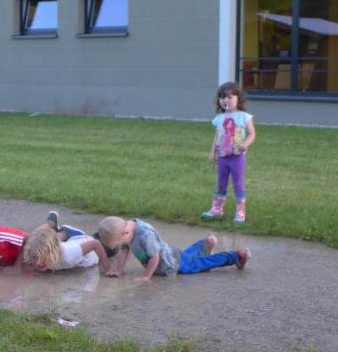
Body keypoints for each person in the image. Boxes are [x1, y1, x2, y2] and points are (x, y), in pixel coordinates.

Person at [96, 216, 250, 282]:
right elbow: (124, 249)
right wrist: (120, 270)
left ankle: (236, 256)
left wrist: (146, 276)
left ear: (125, 233)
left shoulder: (145, 235)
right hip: (172, 254)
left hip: (171, 263)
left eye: (118, 243)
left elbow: (155, 257)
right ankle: (205, 244)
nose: (120, 247)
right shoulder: (126, 228)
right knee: (186, 257)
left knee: (199, 264)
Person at [201, 81, 256, 223]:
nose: (226, 100)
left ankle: (240, 212)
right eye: (222, 97)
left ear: (239, 99)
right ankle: (217, 209)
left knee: (238, 183)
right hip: (223, 157)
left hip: (237, 157)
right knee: (221, 182)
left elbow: (252, 134)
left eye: (230, 97)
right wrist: (213, 152)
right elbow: (217, 136)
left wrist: (245, 144)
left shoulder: (244, 116)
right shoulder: (219, 118)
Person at [23, 211, 111, 273]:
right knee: (35, 238)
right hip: (69, 243)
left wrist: (108, 269)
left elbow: (95, 244)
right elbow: (30, 241)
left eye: (39, 259)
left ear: (53, 253)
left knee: (112, 246)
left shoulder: (70, 255)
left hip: (82, 240)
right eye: (33, 258)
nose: (36, 263)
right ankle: (52, 224)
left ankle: (58, 228)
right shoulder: (34, 254)